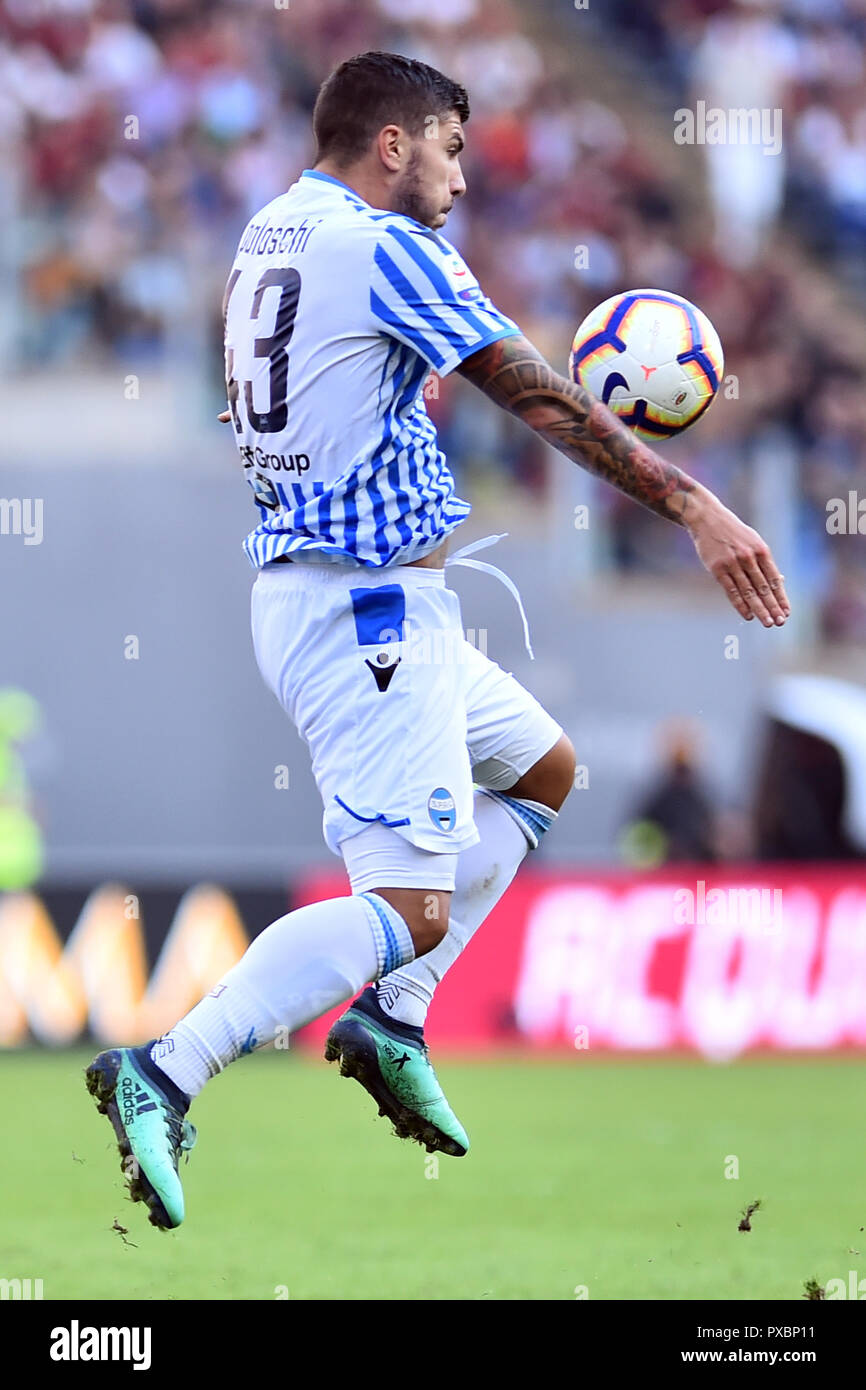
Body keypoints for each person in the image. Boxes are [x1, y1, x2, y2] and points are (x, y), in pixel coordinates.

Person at [86, 51, 790, 1230]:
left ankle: (390, 1018)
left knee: (542, 770)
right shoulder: (385, 244)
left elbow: (288, 386)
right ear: (394, 144)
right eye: (453, 150)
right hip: (362, 609)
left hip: (341, 597)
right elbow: (539, 397)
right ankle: (166, 1067)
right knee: (407, 904)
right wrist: (693, 505)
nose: (464, 179)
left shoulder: (275, 232)